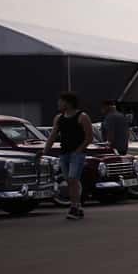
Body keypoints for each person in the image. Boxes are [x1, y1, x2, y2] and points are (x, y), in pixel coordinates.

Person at [47, 92, 93, 220]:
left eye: (60, 102)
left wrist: (79, 150)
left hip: (77, 154)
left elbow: (89, 137)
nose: (58, 104)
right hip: (64, 153)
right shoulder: (59, 118)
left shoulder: (82, 116)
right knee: (70, 181)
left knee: (73, 179)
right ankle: (78, 206)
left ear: (68, 103)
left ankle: (74, 207)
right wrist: (45, 151)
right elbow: (52, 136)